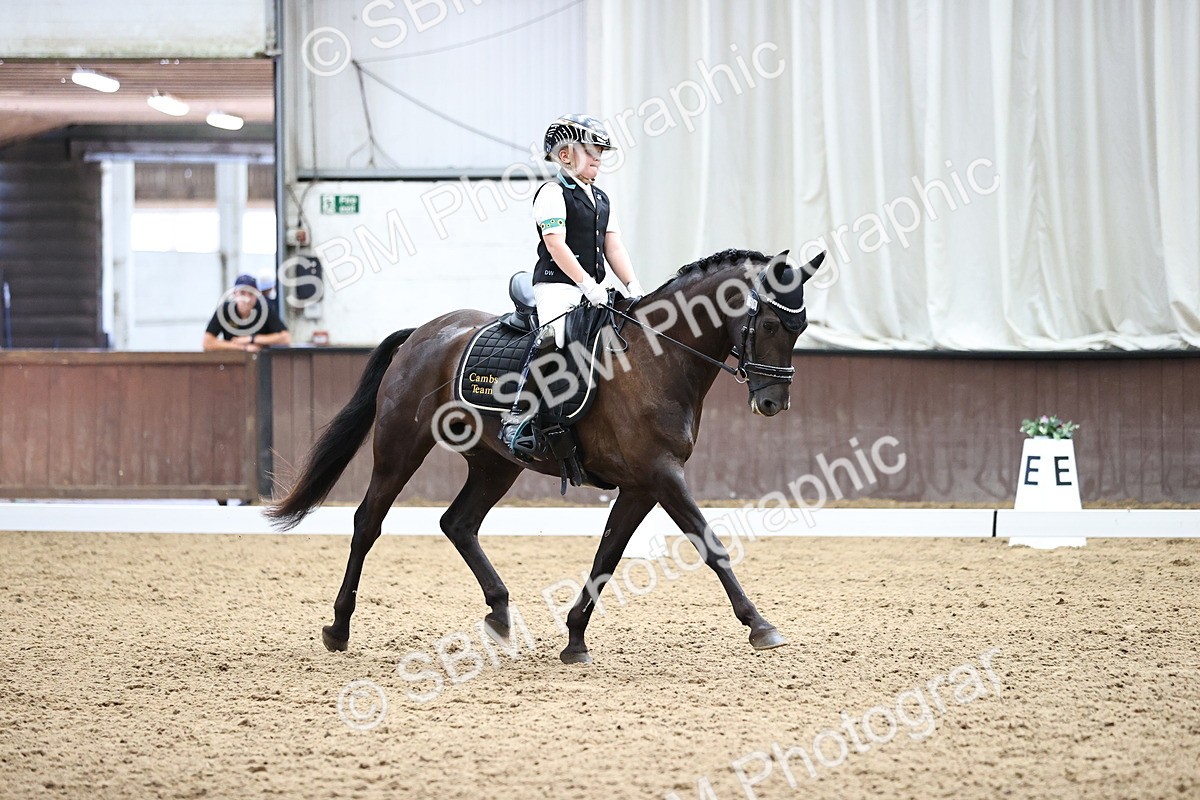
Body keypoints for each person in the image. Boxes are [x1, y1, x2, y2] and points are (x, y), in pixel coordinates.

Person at [500, 114, 645, 451]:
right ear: (565, 156)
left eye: (600, 152)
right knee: (555, 334)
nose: (598, 158)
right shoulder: (552, 193)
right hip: (557, 286)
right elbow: (555, 244)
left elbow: (613, 246)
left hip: (592, 289)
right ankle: (519, 415)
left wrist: (633, 285)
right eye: (591, 150)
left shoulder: (602, 198)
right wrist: (586, 285)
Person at [202, 274, 291, 352]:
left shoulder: (264, 309)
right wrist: (242, 347)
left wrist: (252, 339)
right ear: (234, 294)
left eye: (251, 294)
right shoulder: (225, 310)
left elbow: (285, 338)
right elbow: (207, 342)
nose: (246, 299)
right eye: (242, 293)